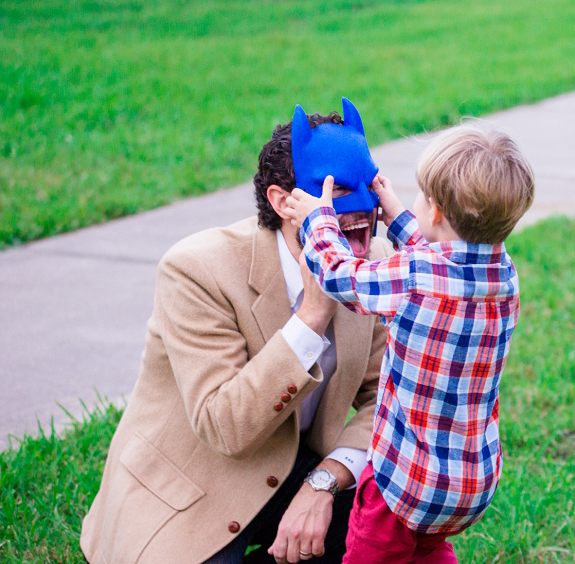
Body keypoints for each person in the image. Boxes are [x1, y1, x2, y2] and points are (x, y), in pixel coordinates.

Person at [80, 98, 391, 564]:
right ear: (285, 202)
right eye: (339, 191)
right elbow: (223, 427)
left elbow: (386, 397)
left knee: (390, 521)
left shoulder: (367, 269)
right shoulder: (197, 270)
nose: (362, 205)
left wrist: (326, 479)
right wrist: (312, 316)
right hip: (193, 486)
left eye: (367, 185)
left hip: (296, 469)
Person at [283, 122, 535, 564]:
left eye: (421, 196)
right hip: (467, 481)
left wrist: (318, 218)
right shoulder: (504, 275)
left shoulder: (415, 276)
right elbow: (441, 257)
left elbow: (342, 275)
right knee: (427, 549)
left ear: (435, 212)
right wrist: (398, 210)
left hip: (403, 481)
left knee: (374, 554)